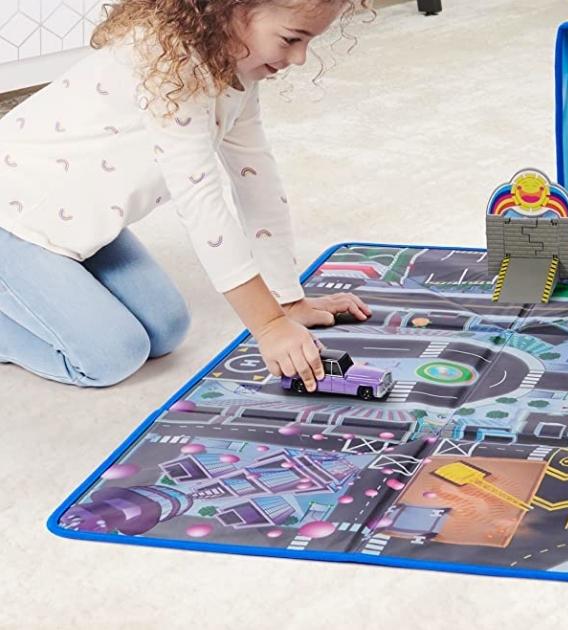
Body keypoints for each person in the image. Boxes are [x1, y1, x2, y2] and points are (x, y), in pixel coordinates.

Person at [0, 0, 375, 389]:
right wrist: (268, 325)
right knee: (112, 357)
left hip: (75, 221)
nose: (299, 58)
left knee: (166, 330)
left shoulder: (234, 68)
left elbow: (257, 181)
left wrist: (287, 301)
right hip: (13, 218)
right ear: (230, 9)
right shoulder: (166, 65)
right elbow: (202, 205)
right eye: (291, 39)